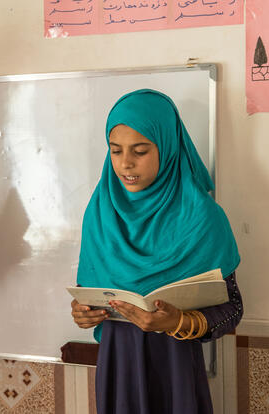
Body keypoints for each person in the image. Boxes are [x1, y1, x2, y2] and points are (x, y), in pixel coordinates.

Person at [70, 89, 243, 413]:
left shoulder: (201, 217)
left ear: (167, 148)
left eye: (140, 150)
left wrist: (178, 321)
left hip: (175, 366)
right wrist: (83, 312)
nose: (125, 163)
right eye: (116, 150)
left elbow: (233, 310)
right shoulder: (100, 213)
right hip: (117, 363)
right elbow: (90, 291)